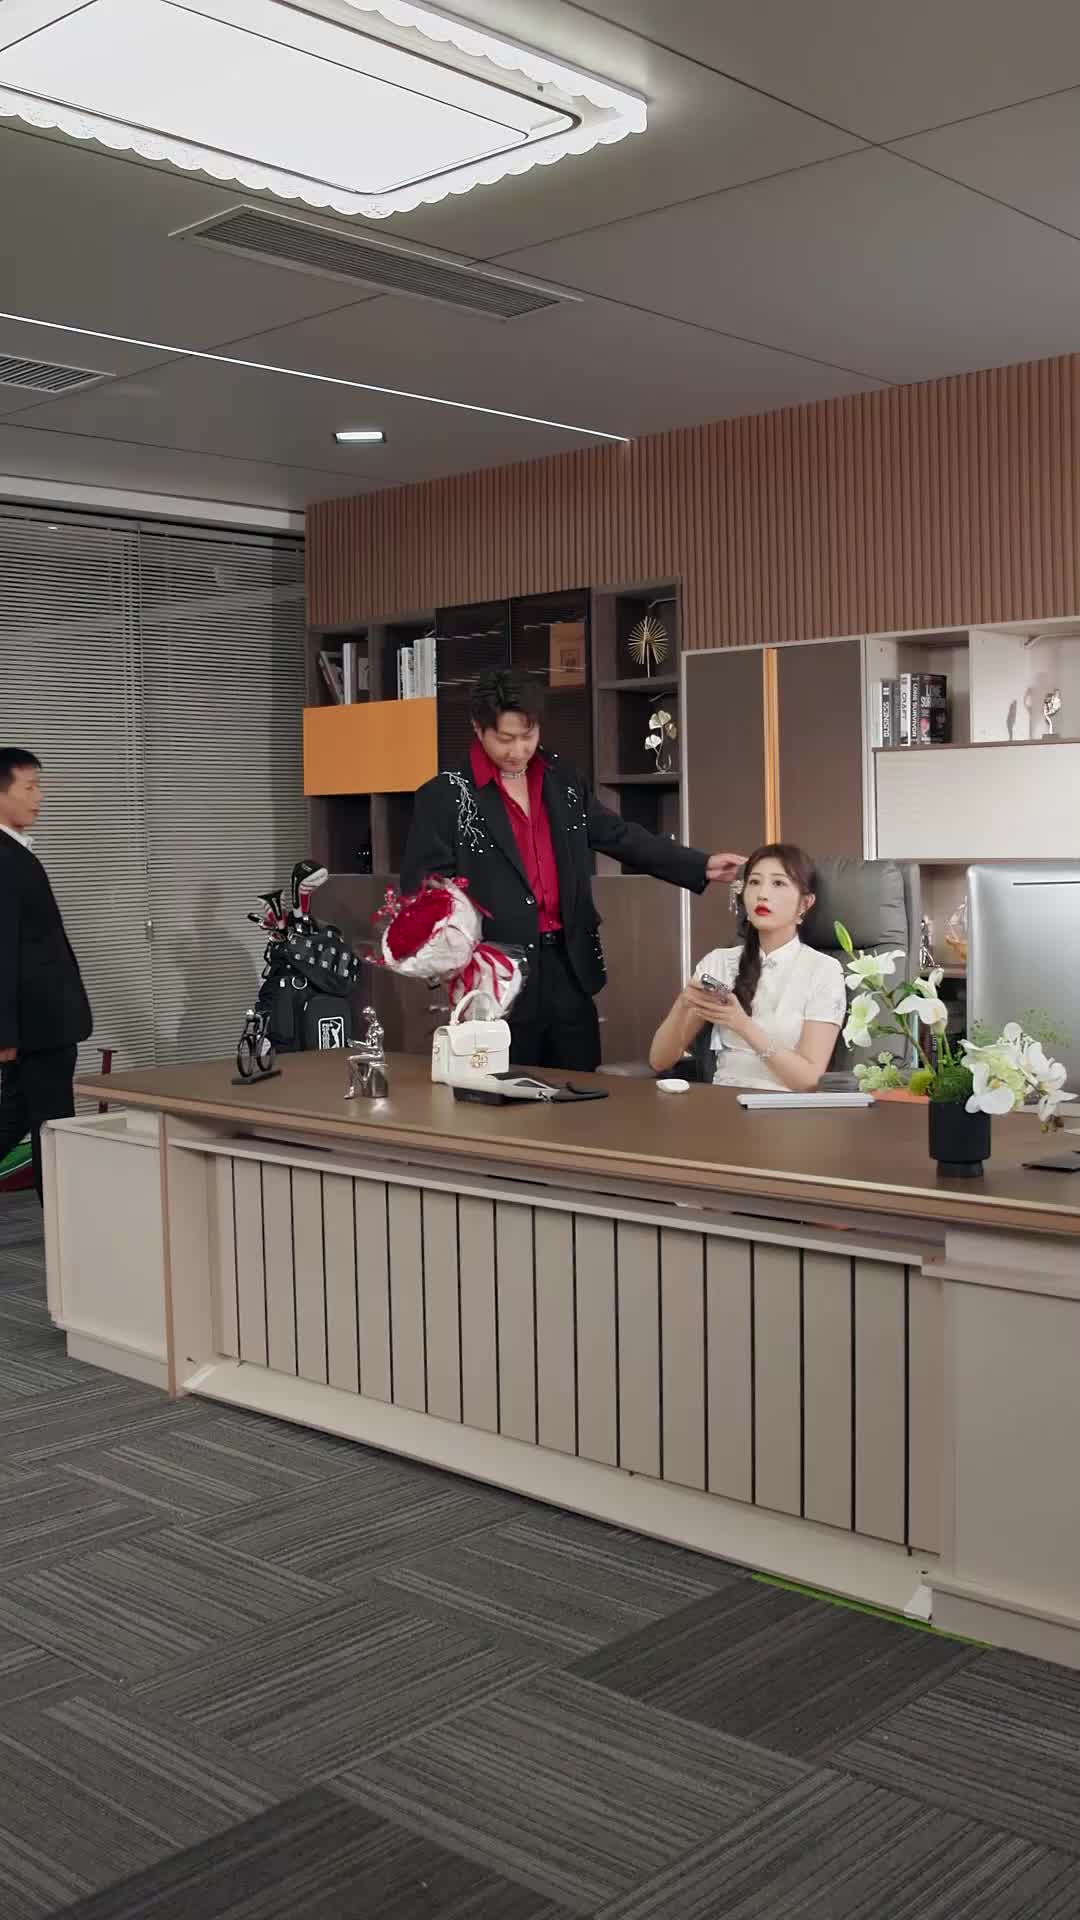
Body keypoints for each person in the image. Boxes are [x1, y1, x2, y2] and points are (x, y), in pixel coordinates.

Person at [400, 668, 744, 1072]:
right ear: (479, 728)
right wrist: (448, 962)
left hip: (569, 963)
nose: (518, 750)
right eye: (505, 739)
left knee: (579, 1085)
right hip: (494, 974)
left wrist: (699, 864)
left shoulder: (560, 778)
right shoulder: (445, 795)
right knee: (502, 1088)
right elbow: (425, 891)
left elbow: (616, 835)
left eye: (528, 736)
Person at [649, 843, 846, 1090]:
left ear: (805, 904)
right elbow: (660, 1062)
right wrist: (682, 1005)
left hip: (787, 1106)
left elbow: (808, 1082)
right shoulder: (719, 962)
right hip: (721, 1100)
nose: (762, 894)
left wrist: (742, 1025)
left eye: (778, 883)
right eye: (754, 882)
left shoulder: (824, 970)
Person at [0, 749, 93, 1200]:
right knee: (52, 1125)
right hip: (37, 1026)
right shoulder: (4, 859)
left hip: (43, 1024)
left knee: (25, 1116)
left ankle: (62, 1215)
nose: (39, 796)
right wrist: (5, 1033)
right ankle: (64, 1218)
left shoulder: (16, 853)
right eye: (29, 786)